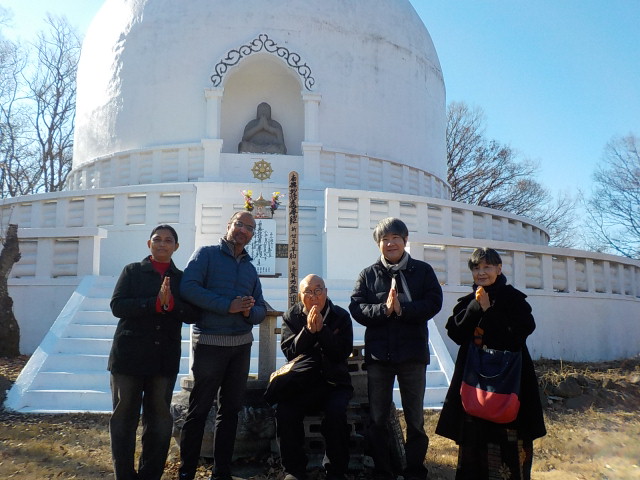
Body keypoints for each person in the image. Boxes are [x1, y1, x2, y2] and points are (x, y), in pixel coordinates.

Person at [435, 247, 546, 480]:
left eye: (487, 267)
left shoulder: (514, 300)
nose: (482, 272)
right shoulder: (470, 301)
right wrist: (476, 307)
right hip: (476, 382)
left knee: (509, 439)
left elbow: (517, 336)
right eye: (476, 268)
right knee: (474, 440)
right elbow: (456, 333)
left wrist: (489, 310)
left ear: (499, 269)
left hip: (509, 381)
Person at [349, 217, 443, 480]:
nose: (390, 244)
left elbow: (434, 302)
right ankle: (383, 471)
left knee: (415, 420)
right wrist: (384, 310)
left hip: (413, 355)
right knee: (377, 418)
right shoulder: (368, 274)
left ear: (405, 240)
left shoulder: (422, 271)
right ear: (378, 244)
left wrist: (404, 310)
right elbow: (356, 307)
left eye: (395, 238)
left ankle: (414, 471)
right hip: (379, 357)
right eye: (384, 240)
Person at [178, 211, 267, 480]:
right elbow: (188, 287)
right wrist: (227, 306)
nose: (243, 230)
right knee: (199, 409)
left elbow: (260, 309)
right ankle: (187, 472)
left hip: (241, 347)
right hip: (210, 343)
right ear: (229, 225)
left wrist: (248, 312)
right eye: (239, 224)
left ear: (252, 235)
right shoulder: (206, 255)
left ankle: (222, 473)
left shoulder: (250, 268)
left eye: (249, 228)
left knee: (230, 411)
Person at [109, 224, 198, 480]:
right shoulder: (133, 271)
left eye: (168, 240)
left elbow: (192, 314)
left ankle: (150, 474)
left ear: (176, 247)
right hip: (129, 356)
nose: (162, 244)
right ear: (149, 244)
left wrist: (171, 305)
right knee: (124, 417)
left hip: (163, 358)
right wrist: (153, 304)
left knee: (159, 419)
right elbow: (117, 306)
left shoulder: (181, 278)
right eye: (157, 239)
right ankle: (124, 475)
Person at [275, 274, 354, 480]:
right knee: (285, 412)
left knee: (336, 413)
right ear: (300, 296)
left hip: (334, 383)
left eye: (318, 290)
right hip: (301, 384)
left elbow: (342, 353)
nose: (314, 296)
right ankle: (293, 470)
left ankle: (336, 471)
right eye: (308, 292)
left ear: (326, 292)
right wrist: (308, 332)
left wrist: (323, 331)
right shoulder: (291, 317)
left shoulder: (340, 316)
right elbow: (290, 352)